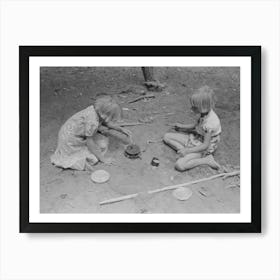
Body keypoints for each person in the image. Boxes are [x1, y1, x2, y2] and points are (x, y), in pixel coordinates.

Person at [50, 94, 131, 171]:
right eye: (112, 117)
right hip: (70, 140)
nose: (112, 120)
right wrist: (103, 159)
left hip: (66, 131)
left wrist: (119, 129)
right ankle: (80, 163)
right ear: (105, 115)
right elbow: (90, 142)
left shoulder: (95, 109)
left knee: (102, 141)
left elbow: (105, 122)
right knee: (95, 155)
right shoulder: (93, 122)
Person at [163, 86, 221, 171]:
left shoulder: (210, 124)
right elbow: (196, 125)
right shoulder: (204, 113)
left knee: (180, 165)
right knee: (166, 137)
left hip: (202, 148)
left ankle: (206, 160)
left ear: (203, 107)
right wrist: (182, 126)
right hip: (196, 139)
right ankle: (185, 151)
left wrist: (187, 151)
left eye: (195, 107)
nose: (191, 109)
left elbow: (205, 145)